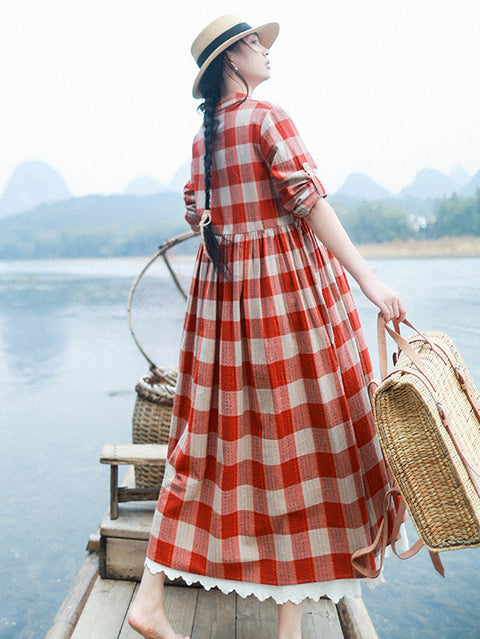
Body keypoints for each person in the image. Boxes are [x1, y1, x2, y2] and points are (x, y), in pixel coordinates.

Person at [128, 14, 406, 639]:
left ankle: (190, 608)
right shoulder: (265, 117)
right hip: (286, 306)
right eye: (256, 45)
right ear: (232, 59)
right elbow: (312, 205)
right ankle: (282, 627)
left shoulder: (204, 139)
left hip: (223, 318)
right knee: (306, 442)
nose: (267, 53)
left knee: (212, 452)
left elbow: (205, 220)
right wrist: (369, 281)